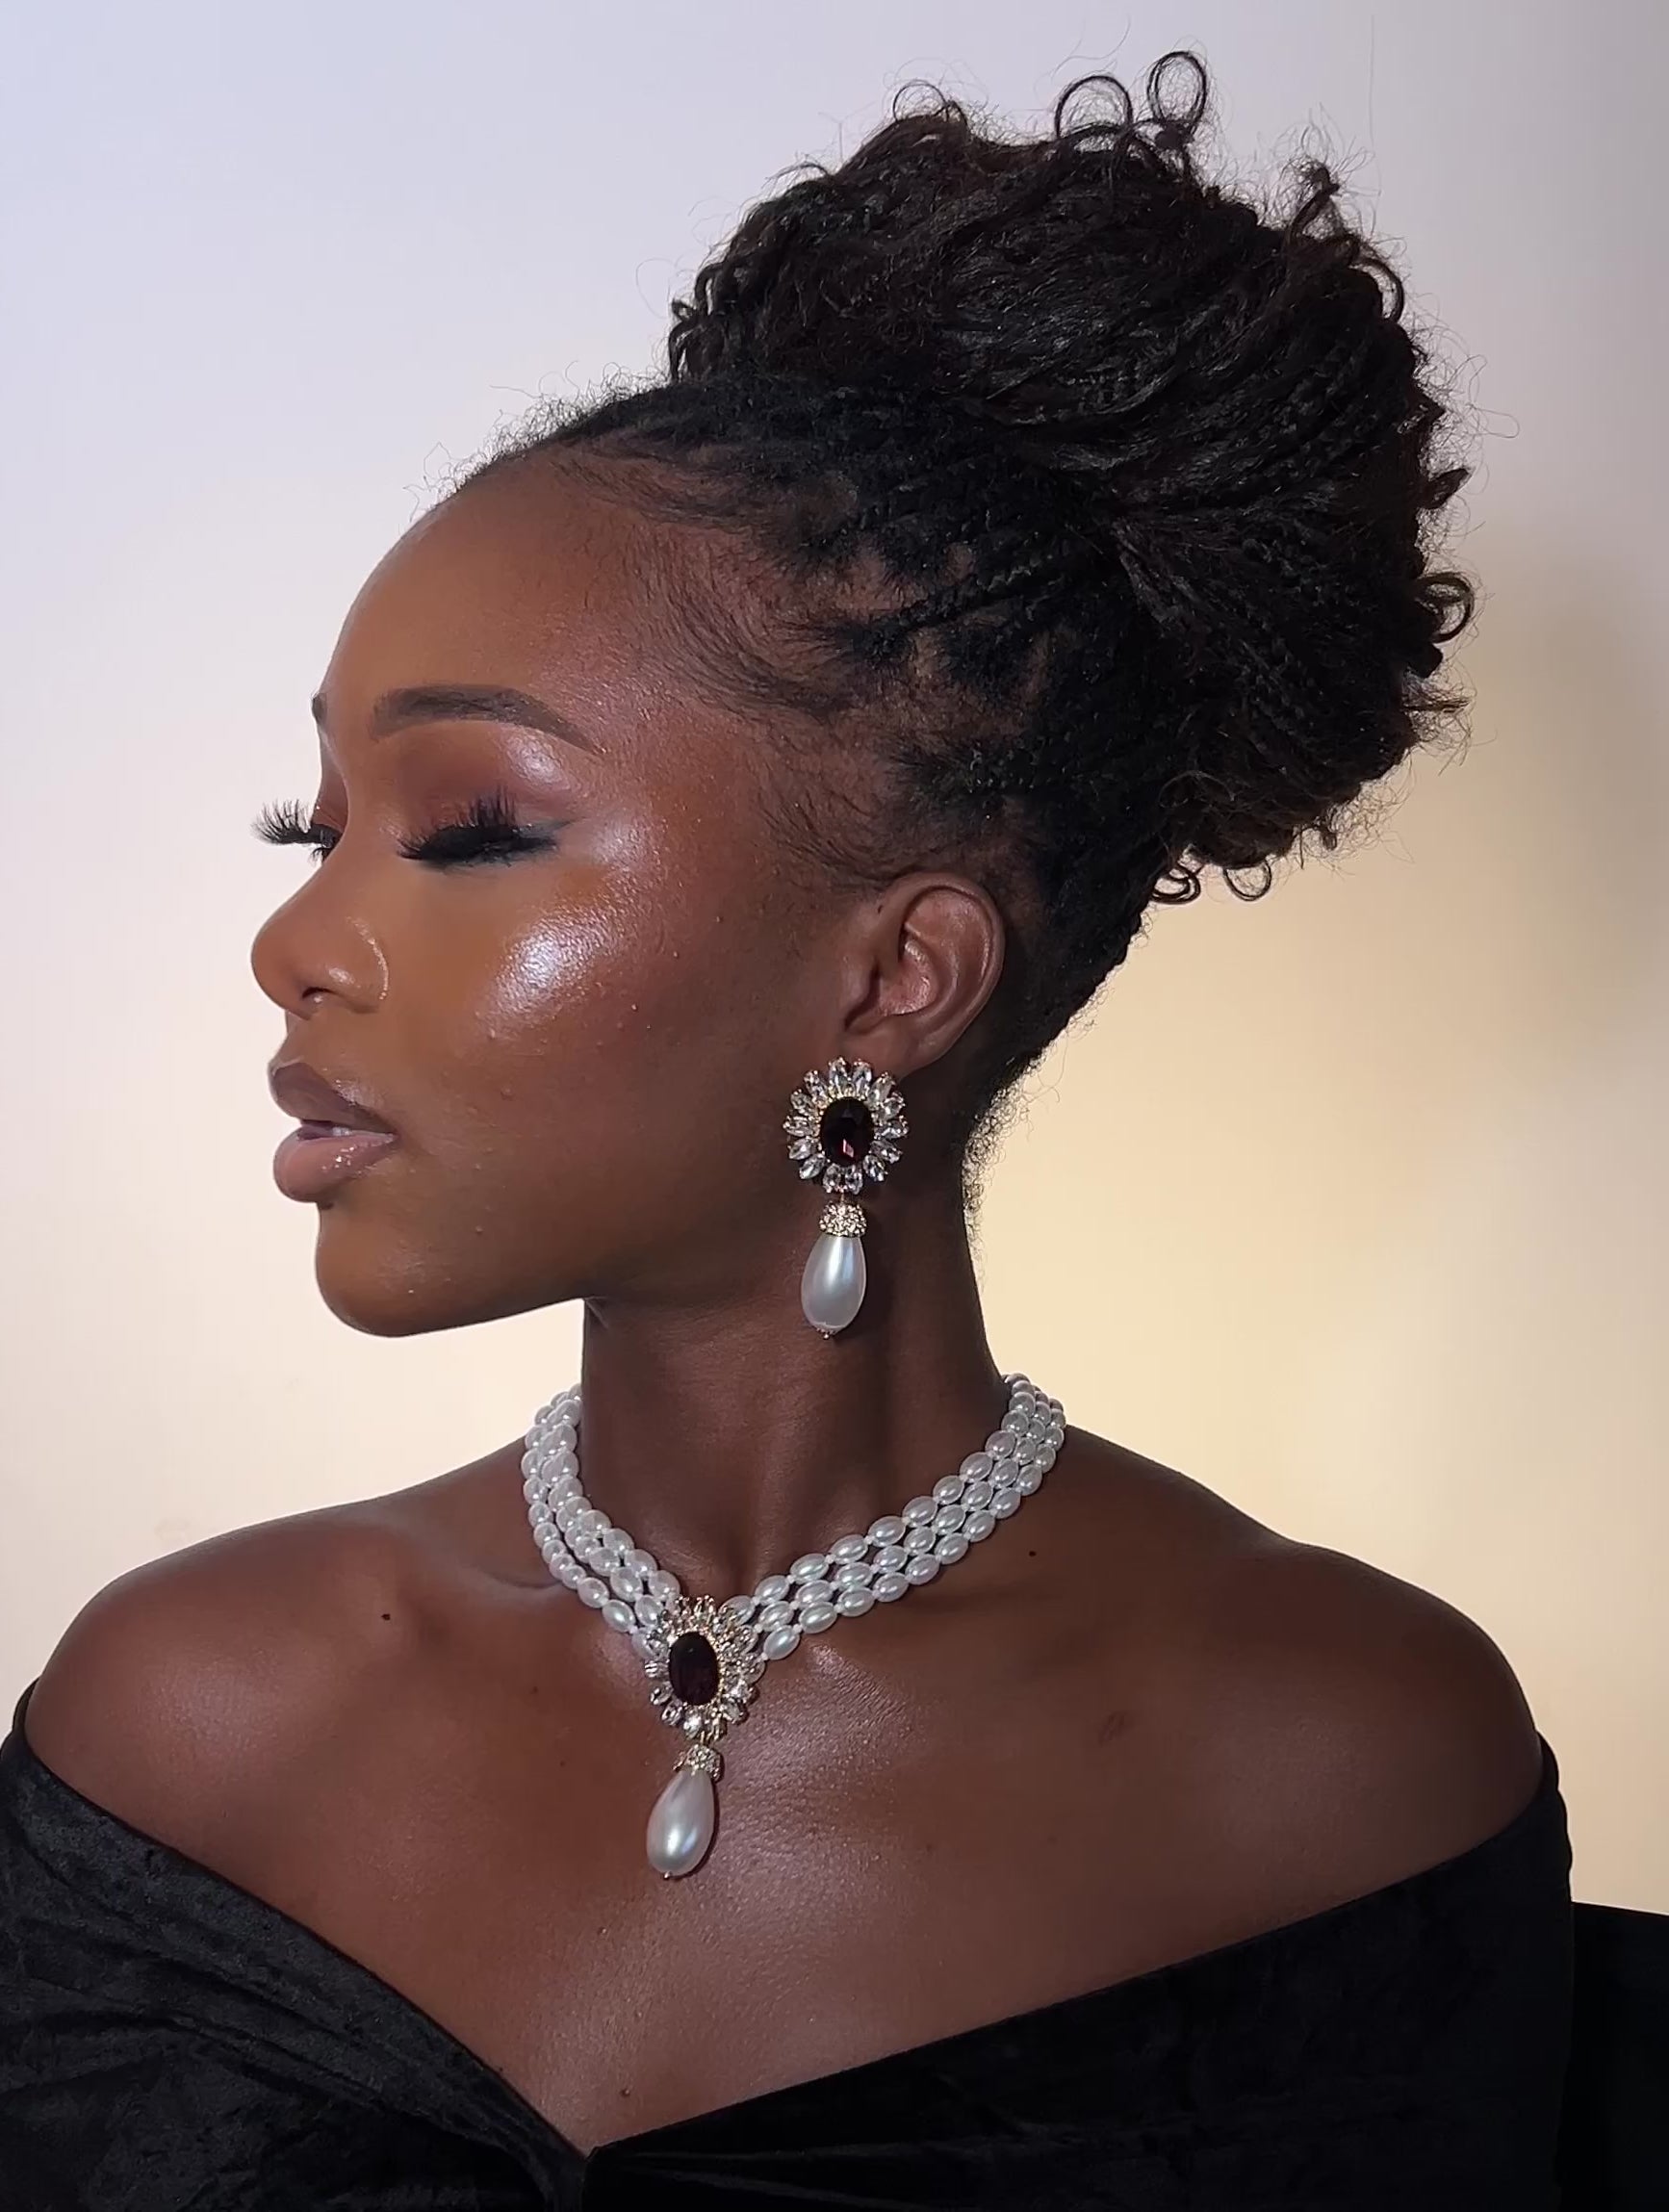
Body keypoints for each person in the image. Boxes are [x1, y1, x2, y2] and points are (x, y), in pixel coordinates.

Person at [0, 48, 1578, 2209]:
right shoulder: (181, 1723)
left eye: (469, 827)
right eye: (316, 824)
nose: (295, 940)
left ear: (895, 976)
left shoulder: (1343, 1766)